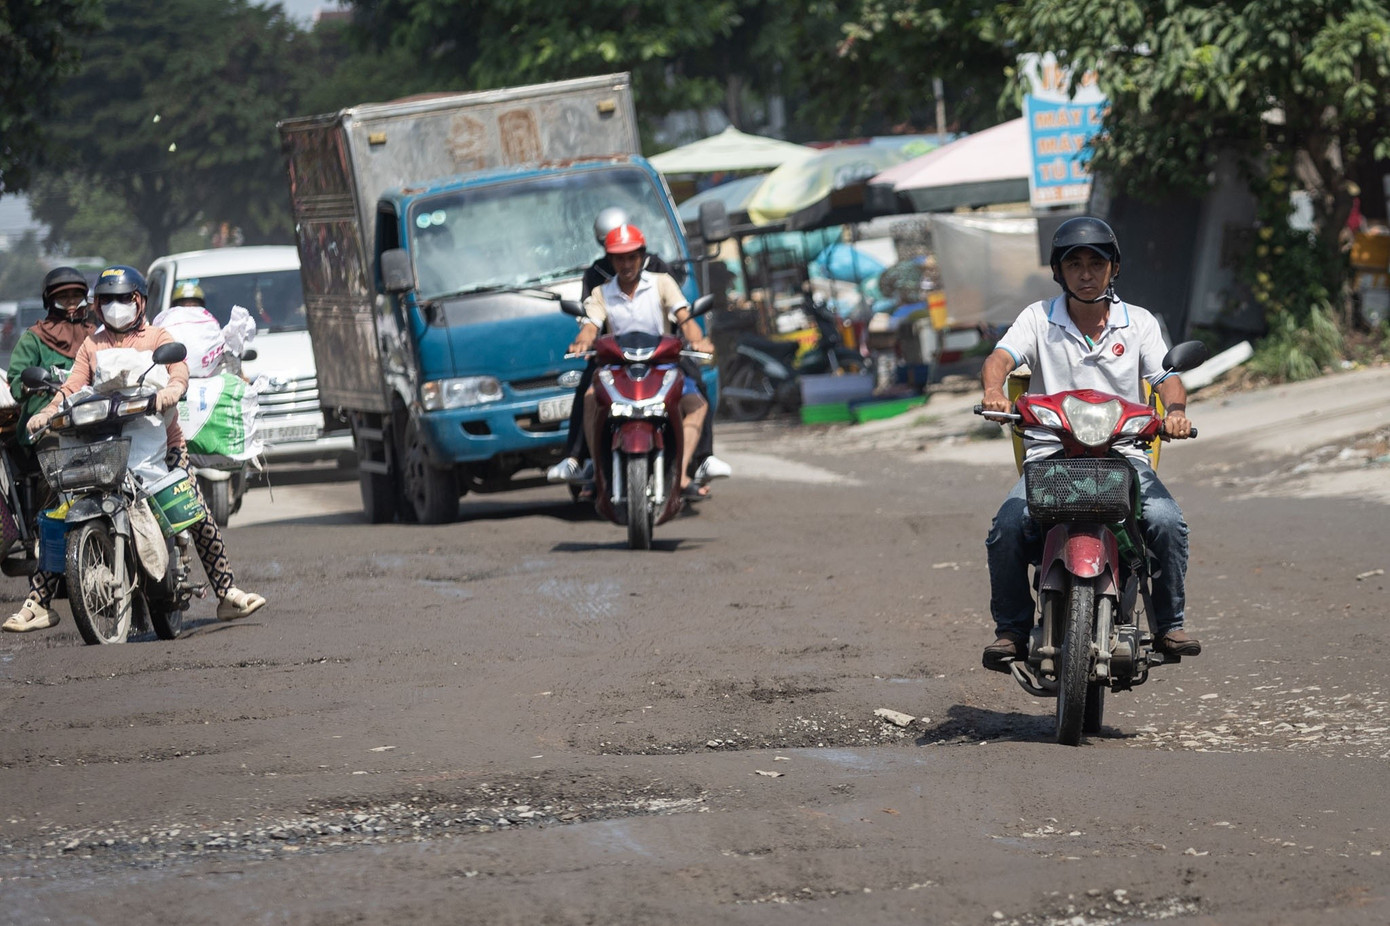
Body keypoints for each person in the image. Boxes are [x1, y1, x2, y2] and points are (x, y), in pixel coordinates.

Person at [977, 216, 1199, 672]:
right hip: (1052, 456)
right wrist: (994, 391)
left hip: (1123, 454)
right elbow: (1000, 358)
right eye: (1073, 263)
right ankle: (1012, 630)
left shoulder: (1138, 322)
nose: (1085, 273)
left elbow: (1167, 377)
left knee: (1165, 520)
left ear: (1113, 268)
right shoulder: (1037, 318)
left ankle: (1169, 625)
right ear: (1059, 271)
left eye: (1095, 263)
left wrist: (1174, 413)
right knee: (1007, 529)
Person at [3, 265, 265, 633]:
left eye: (123, 299)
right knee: (58, 513)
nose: (115, 306)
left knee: (195, 508)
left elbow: (178, 371)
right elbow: (73, 387)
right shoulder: (92, 345)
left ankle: (226, 592)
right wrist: (47, 412)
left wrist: (173, 390)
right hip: (107, 451)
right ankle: (38, 604)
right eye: (107, 300)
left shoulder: (158, 337)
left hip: (163, 449)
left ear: (139, 301)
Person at [548, 208, 731, 491]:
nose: (626, 264)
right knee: (586, 396)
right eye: (619, 258)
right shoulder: (601, 291)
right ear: (610, 258)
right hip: (616, 365)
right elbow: (590, 323)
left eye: (631, 257)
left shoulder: (661, 280)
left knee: (698, 399)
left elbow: (684, 316)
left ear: (641, 256)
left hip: (663, 361)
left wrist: (698, 340)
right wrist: (584, 339)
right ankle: (591, 466)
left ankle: (691, 466)